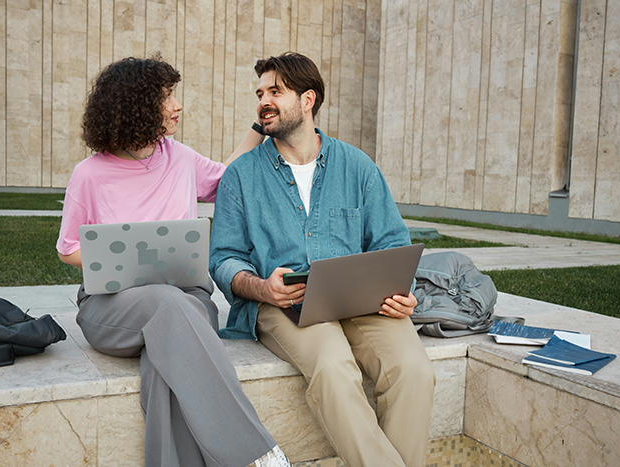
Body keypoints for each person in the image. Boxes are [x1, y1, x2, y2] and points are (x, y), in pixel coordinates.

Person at [56, 55, 291, 467]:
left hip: (187, 301)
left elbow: (227, 177)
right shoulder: (89, 175)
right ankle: (256, 455)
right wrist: (128, 261)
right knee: (167, 302)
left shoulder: (180, 157)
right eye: (168, 97)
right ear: (138, 105)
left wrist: (259, 130)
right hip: (112, 306)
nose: (178, 105)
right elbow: (68, 248)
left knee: (167, 364)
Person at [209, 52, 436, 467]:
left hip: (361, 302)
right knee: (334, 369)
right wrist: (261, 287)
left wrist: (406, 294)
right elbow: (224, 258)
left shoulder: (358, 166)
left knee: (414, 371)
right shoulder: (240, 176)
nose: (263, 101)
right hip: (284, 304)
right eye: (260, 93)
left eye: (275, 91)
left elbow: (391, 242)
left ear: (308, 99)